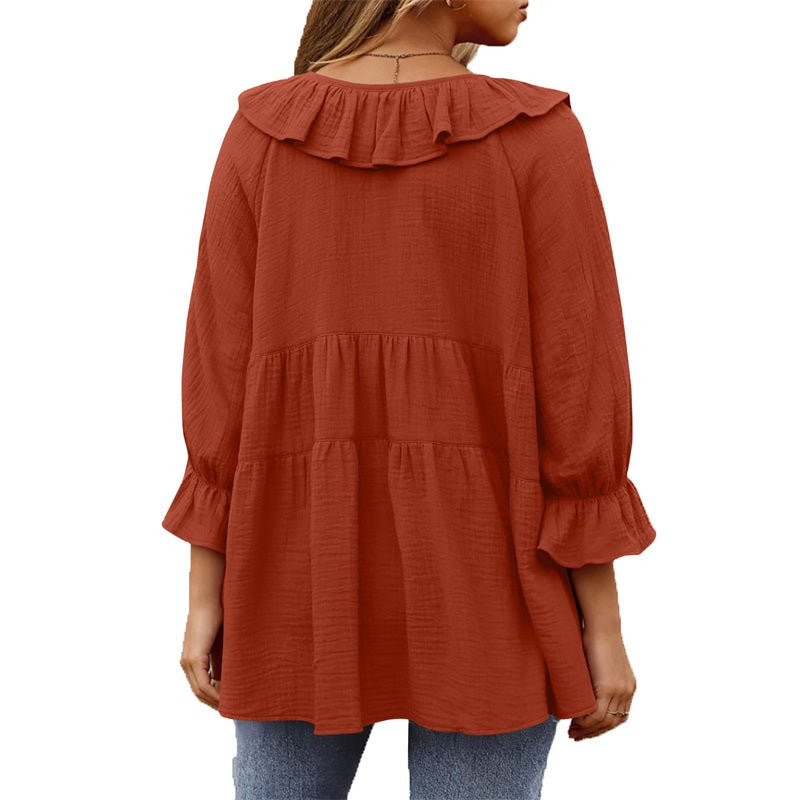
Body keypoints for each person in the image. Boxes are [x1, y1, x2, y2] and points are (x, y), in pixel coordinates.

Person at [161, 1, 658, 797]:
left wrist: (204, 592)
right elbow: (580, 386)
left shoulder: (263, 134)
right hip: (493, 579)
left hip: (294, 569)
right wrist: (603, 624)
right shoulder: (536, 135)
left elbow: (216, 381)